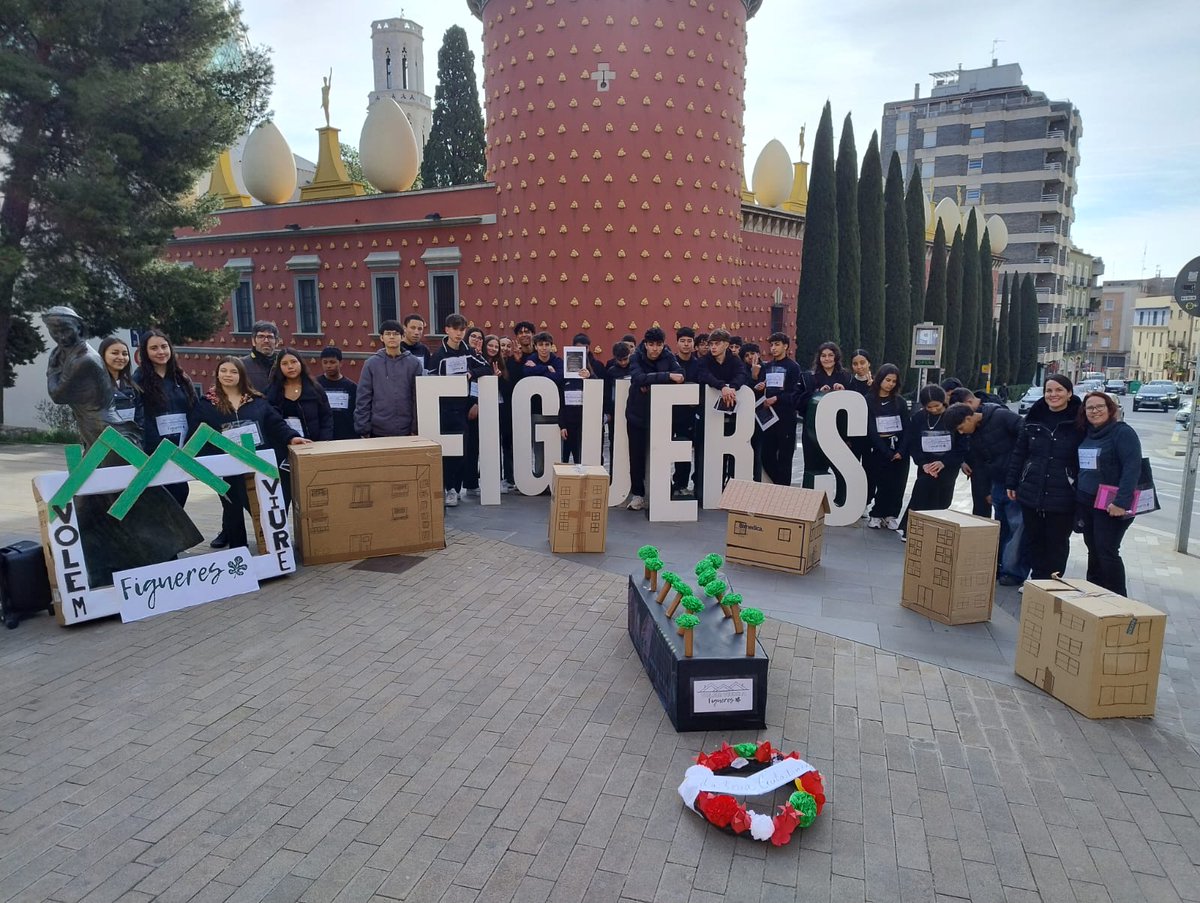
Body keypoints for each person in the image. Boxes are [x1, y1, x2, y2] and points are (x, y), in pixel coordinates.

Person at [42, 308, 200, 582]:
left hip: (109, 434)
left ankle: (151, 553)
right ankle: (114, 563)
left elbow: (57, 394)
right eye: (54, 331)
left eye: (64, 329)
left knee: (108, 498)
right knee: (105, 499)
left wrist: (52, 366)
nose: (60, 336)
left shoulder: (86, 360)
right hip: (95, 434)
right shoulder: (73, 355)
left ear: (79, 328)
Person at [191, 356, 311, 549]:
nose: (228, 375)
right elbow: (196, 434)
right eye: (223, 371)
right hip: (226, 467)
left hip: (256, 463)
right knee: (232, 508)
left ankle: (273, 547)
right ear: (217, 374)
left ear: (241, 375)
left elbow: (275, 423)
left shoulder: (256, 401)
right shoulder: (206, 404)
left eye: (233, 371)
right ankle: (239, 550)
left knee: (261, 505)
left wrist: (292, 437)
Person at [1006, 374, 1084, 581]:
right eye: (1049, 390)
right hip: (1032, 490)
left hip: (1064, 492)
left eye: (1059, 390)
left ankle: (1053, 583)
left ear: (1069, 393)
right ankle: (1038, 581)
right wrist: (1012, 481)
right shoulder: (1033, 417)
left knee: (1057, 541)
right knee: (1035, 539)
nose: (1053, 394)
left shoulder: (1080, 420)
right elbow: (1020, 452)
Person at [943, 399, 1026, 585]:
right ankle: (999, 566)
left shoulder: (1001, 416)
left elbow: (1026, 437)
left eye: (961, 427)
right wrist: (986, 491)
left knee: (1017, 526)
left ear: (969, 417)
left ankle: (1013, 572)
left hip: (1016, 482)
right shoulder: (974, 435)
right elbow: (980, 465)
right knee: (1002, 525)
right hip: (997, 483)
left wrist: (1019, 473)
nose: (961, 432)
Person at [1075, 391, 1143, 595]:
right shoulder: (1087, 432)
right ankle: (1095, 594)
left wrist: (1121, 502)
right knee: (1094, 550)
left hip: (1111, 505)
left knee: (1107, 551)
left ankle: (1117, 598)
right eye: (1090, 408)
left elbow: (1133, 467)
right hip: (1088, 502)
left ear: (1110, 409)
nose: (1094, 411)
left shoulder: (1122, 432)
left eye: (1099, 407)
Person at [135, 328, 198, 506]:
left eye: (164, 346)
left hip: (183, 447)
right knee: (162, 498)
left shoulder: (181, 378)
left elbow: (193, 410)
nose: (161, 352)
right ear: (145, 352)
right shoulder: (139, 379)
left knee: (181, 491)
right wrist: (154, 446)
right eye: (154, 348)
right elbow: (140, 417)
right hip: (155, 449)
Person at [431, 315, 489, 506]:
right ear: (447, 330)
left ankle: (455, 489)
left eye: (462, 330)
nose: (459, 333)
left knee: (463, 450)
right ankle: (449, 489)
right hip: (445, 410)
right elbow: (431, 382)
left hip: (463, 410)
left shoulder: (469, 352)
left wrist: (472, 373)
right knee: (448, 451)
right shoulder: (438, 356)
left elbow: (486, 368)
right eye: (455, 329)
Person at [626, 327, 684, 510]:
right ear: (645, 344)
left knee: (661, 454)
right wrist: (666, 377)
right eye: (651, 345)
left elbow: (681, 375)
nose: (655, 349)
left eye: (659, 345)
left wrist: (650, 381)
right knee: (636, 457)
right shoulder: (636, 356)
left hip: (662, 416)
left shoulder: (668, 356)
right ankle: (638, 495)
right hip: (637, 415)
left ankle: (661, 492)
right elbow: (637, 378)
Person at [898, 385, 963, 537]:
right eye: (929, 407)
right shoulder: (919, 418)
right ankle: (912, 529)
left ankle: (935, 531)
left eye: (937, 406)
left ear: (943, 402)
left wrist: (944, 463)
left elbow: (961, 447)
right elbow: (914, 443)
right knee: (922, 491)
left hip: (947, 466)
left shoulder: (952, 416)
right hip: (927, 465)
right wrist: (923, 463)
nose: (933, 410)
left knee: (942, 499)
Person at [693, 329, 746, 504]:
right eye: (711, 344)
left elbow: (741, 375)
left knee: (728, 454)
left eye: (716, 344)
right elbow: (703, 375)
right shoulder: (704, 361)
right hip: (706, 415)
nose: (713, 347)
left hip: (730, 416)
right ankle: (701, 489)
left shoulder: (735, 361)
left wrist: (732, 387)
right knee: (703, 452)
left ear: (726, 345)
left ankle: (728, 489)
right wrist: (722, 386)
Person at [354, 318, 423, 439]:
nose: (392, 337)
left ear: (402, 337)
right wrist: (363, 428)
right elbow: (363, 397)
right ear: (381, 337)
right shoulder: (371, 364)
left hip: (405, 429)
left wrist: (416, 427)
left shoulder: (414, 363)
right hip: (378, 430)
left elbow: (417, 397)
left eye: (396, 334)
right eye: (388, 334)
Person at [864, 364, 909, 531]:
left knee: (896, 484)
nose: (890, 384)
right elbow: (871, 429)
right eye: (887, 380)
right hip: (878, 448)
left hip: (898, 448)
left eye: (893, 381)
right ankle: (876, 514)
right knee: (879, 481)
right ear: (880, 379)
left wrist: (901, 451)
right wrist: (885, 451)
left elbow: (907, 427)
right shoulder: (869, 400)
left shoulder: (900, 402)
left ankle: (891, 515)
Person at [759, 332, 801, 487]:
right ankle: (779, 485)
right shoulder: (767, 367)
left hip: (786, 417)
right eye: (771, 345)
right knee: (766, 455)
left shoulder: (793, 367)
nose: (773, 348)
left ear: (786, 346)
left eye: (777, 344)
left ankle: (784, 489)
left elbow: (794, 393)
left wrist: (777, 398)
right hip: (768, 418)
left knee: (785, 456)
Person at [265, 348, 334, 442]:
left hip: (315, 444)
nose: (290, 366)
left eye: (293, 362)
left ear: (300, 363)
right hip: (285, 444)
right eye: (284, 363)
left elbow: (326, 417)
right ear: (279, 367)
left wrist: (324, 441)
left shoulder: (315, 389)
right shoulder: (272, 391)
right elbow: (271, 420)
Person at [949, 387, 993, 518]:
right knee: (980, 508)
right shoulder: (965, 420)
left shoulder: (994, 412)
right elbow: (960, 439)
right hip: (976, 467)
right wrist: (963, 461)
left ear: (968, 403)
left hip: (996, 467)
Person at [560, 333, 600, 464]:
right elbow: (561, 400)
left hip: (586, 420)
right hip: (569, 419)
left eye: (585, 348)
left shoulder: (597, 366)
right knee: (564, 456)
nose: (582, 351)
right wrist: (563, 424)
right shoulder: (565, 368)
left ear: (589, 349)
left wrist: (590, 377)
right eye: (578, 348)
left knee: (584, 456)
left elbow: (599, 391)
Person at [671, 327, 701, 496]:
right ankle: (665, 485)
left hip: (689, 416)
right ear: (677, 343)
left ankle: (681, 484)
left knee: (684, 451)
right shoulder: (670, 362)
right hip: (668, 413)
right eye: (682, 341)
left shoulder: (698, 364)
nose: (686, 344)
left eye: (689, 341)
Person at [484, 335, 516, 491]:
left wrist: (498, 378)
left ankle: (510, 478)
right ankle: (493, 478)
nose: (504, 348)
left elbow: (508, 389)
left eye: (507, 346)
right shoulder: (483, 362)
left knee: (507, 444)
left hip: (504, 409)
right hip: (487, 408)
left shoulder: (507, 365)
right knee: (491, 444)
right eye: (500, 345)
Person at [98, 337, 141, 438]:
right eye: (115, 353)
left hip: (131, 441)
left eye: (125, 354)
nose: (121, 357)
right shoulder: (95, 386)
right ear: (102, 355)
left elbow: (140, 419)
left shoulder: (132, 386)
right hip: (105, 442)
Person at [317, 346, 358, 440]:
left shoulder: (351, 387)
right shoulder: (315, 385)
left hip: (347, 436)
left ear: (340, 363)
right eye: (325, 362)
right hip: (322, 436)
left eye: (332, 362)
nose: (328, 366)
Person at [742, 343, 765, 481]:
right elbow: (745, 390)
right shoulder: (742, 370)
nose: (750, 357)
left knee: (760, 451)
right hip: (747, 416)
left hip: (763, 415)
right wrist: (754, 376)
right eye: (746, 355)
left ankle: (759, 480)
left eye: (752, 353)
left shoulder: (767, 368)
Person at [243, 320, 280, 392]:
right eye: (261, 336)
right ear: (253, 341)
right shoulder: (242, 365)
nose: (266, 340)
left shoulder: (283, 364)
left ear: (277, 342)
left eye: (270, 337)